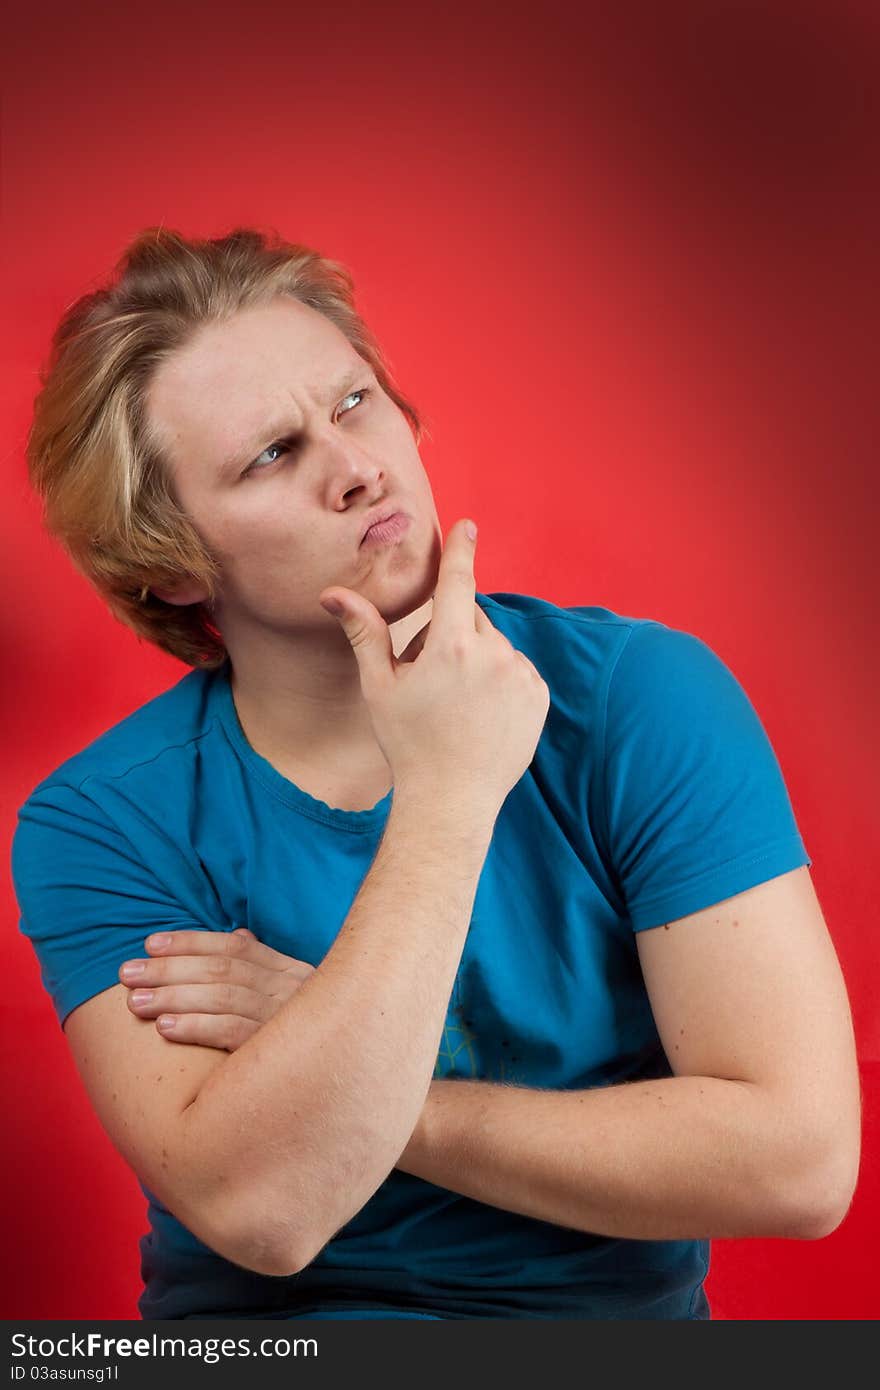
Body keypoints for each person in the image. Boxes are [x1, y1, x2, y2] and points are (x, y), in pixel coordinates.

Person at [10, 226, 860, 1322]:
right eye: (274, 453)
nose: (357, 466)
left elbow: (795, 1164)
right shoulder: (103, 822)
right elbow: (265, 1209)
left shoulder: (640, 700)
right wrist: (451, 796)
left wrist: (352, 1072)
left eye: (354, 401)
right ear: (171, 564)